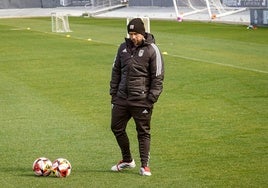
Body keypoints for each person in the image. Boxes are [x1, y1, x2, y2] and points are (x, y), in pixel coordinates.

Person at [109, 18, 164, 176]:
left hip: (142, 100)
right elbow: (116, 72)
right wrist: (114, 95)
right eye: (131, 33)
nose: (133, 37)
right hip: (121, 98)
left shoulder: (152, 49)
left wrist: (151, 98)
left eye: (136, 34)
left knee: (143, 132)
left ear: (143, 33)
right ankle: (127, 160)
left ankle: (144, 165)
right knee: (116, 128)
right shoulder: (122, 49)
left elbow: (158, 76)